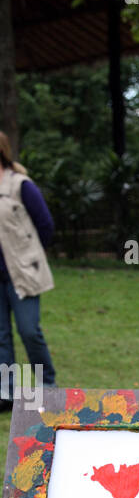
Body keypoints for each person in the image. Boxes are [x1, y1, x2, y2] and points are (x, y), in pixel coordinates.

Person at [0, 131, 56, 407]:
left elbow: (45, 225)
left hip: (21, 273)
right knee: (0, 337)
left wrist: (30, 255)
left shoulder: (21, 185)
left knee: (28, 330)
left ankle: (47, 385)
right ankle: (6, 393)